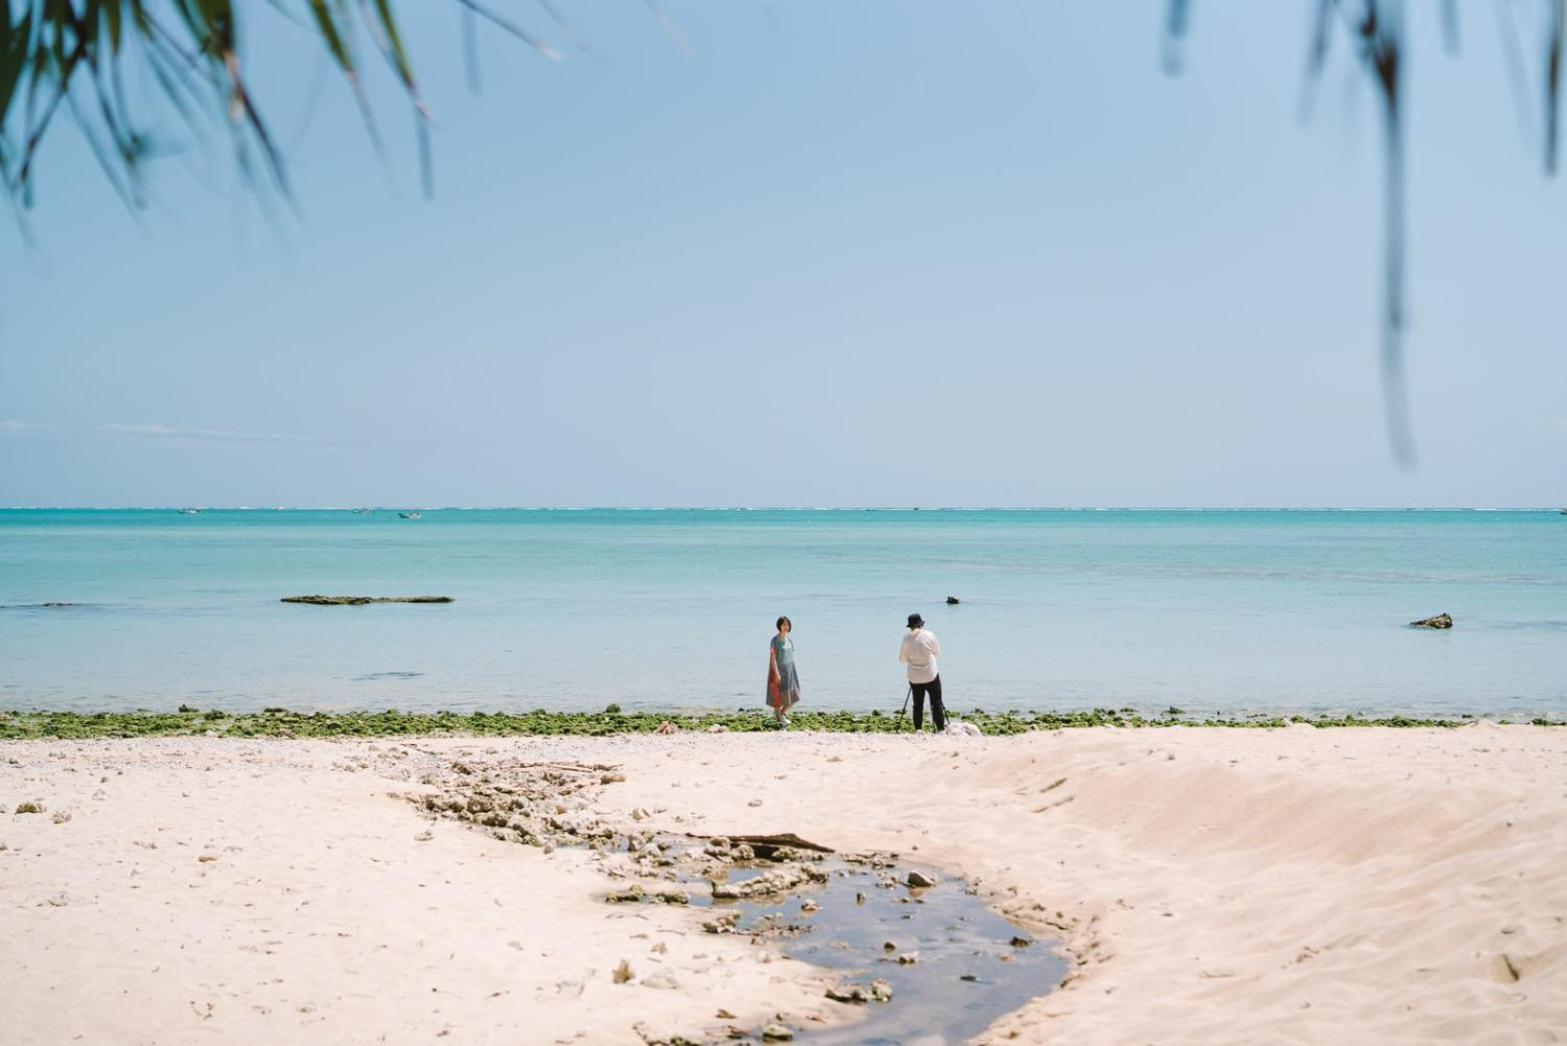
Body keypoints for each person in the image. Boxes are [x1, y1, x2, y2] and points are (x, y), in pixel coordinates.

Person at [899, 612, 945, 732]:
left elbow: (902, 659)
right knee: (936, 703)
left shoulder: (906, 638)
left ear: (910, 626)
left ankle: (918, 729)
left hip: (914, 676)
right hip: (931, 674)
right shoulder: (929, 635)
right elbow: (937, 652)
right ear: (921, 625)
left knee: (917, 704)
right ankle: (940, 729)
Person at [767, 616, 800, 729]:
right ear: (779, 626)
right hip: (778, 670)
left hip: (790, 671)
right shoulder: (774, 640)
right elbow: (773, 658)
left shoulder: (789, 640)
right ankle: (780, 718)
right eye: (783, 625)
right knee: (778, 698)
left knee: (794, 696)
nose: (786, 627)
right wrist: (776, 673)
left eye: (787, 625)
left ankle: (780, 714)